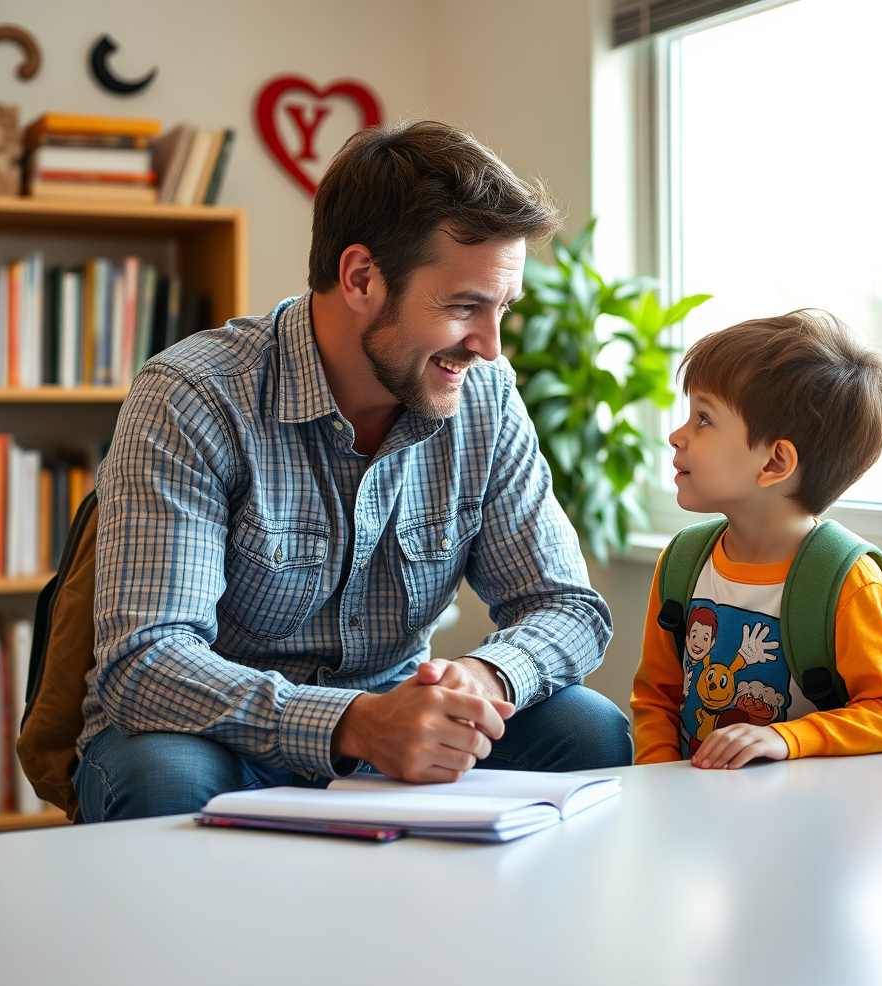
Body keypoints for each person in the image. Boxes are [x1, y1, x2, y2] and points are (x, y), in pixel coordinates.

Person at [74, 120, 632, 822]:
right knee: (166, 775)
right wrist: (355, 723)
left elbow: (567, 606)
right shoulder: (194, 396)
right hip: (219, 739)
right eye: (465, 307)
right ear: (362, 277)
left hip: (399, 730)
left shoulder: (485, 395)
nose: (490, 347)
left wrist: (482, 676)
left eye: (501, 309)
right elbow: (147, 662)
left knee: (588, 727)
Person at [630, 310, 882, 769]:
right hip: (696, 816)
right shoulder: (683, 562)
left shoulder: (849, 585)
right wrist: (657, 776)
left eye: (704, 419)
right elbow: (657, 697)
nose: (677, 436)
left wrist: (786, 739)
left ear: (775, 462)